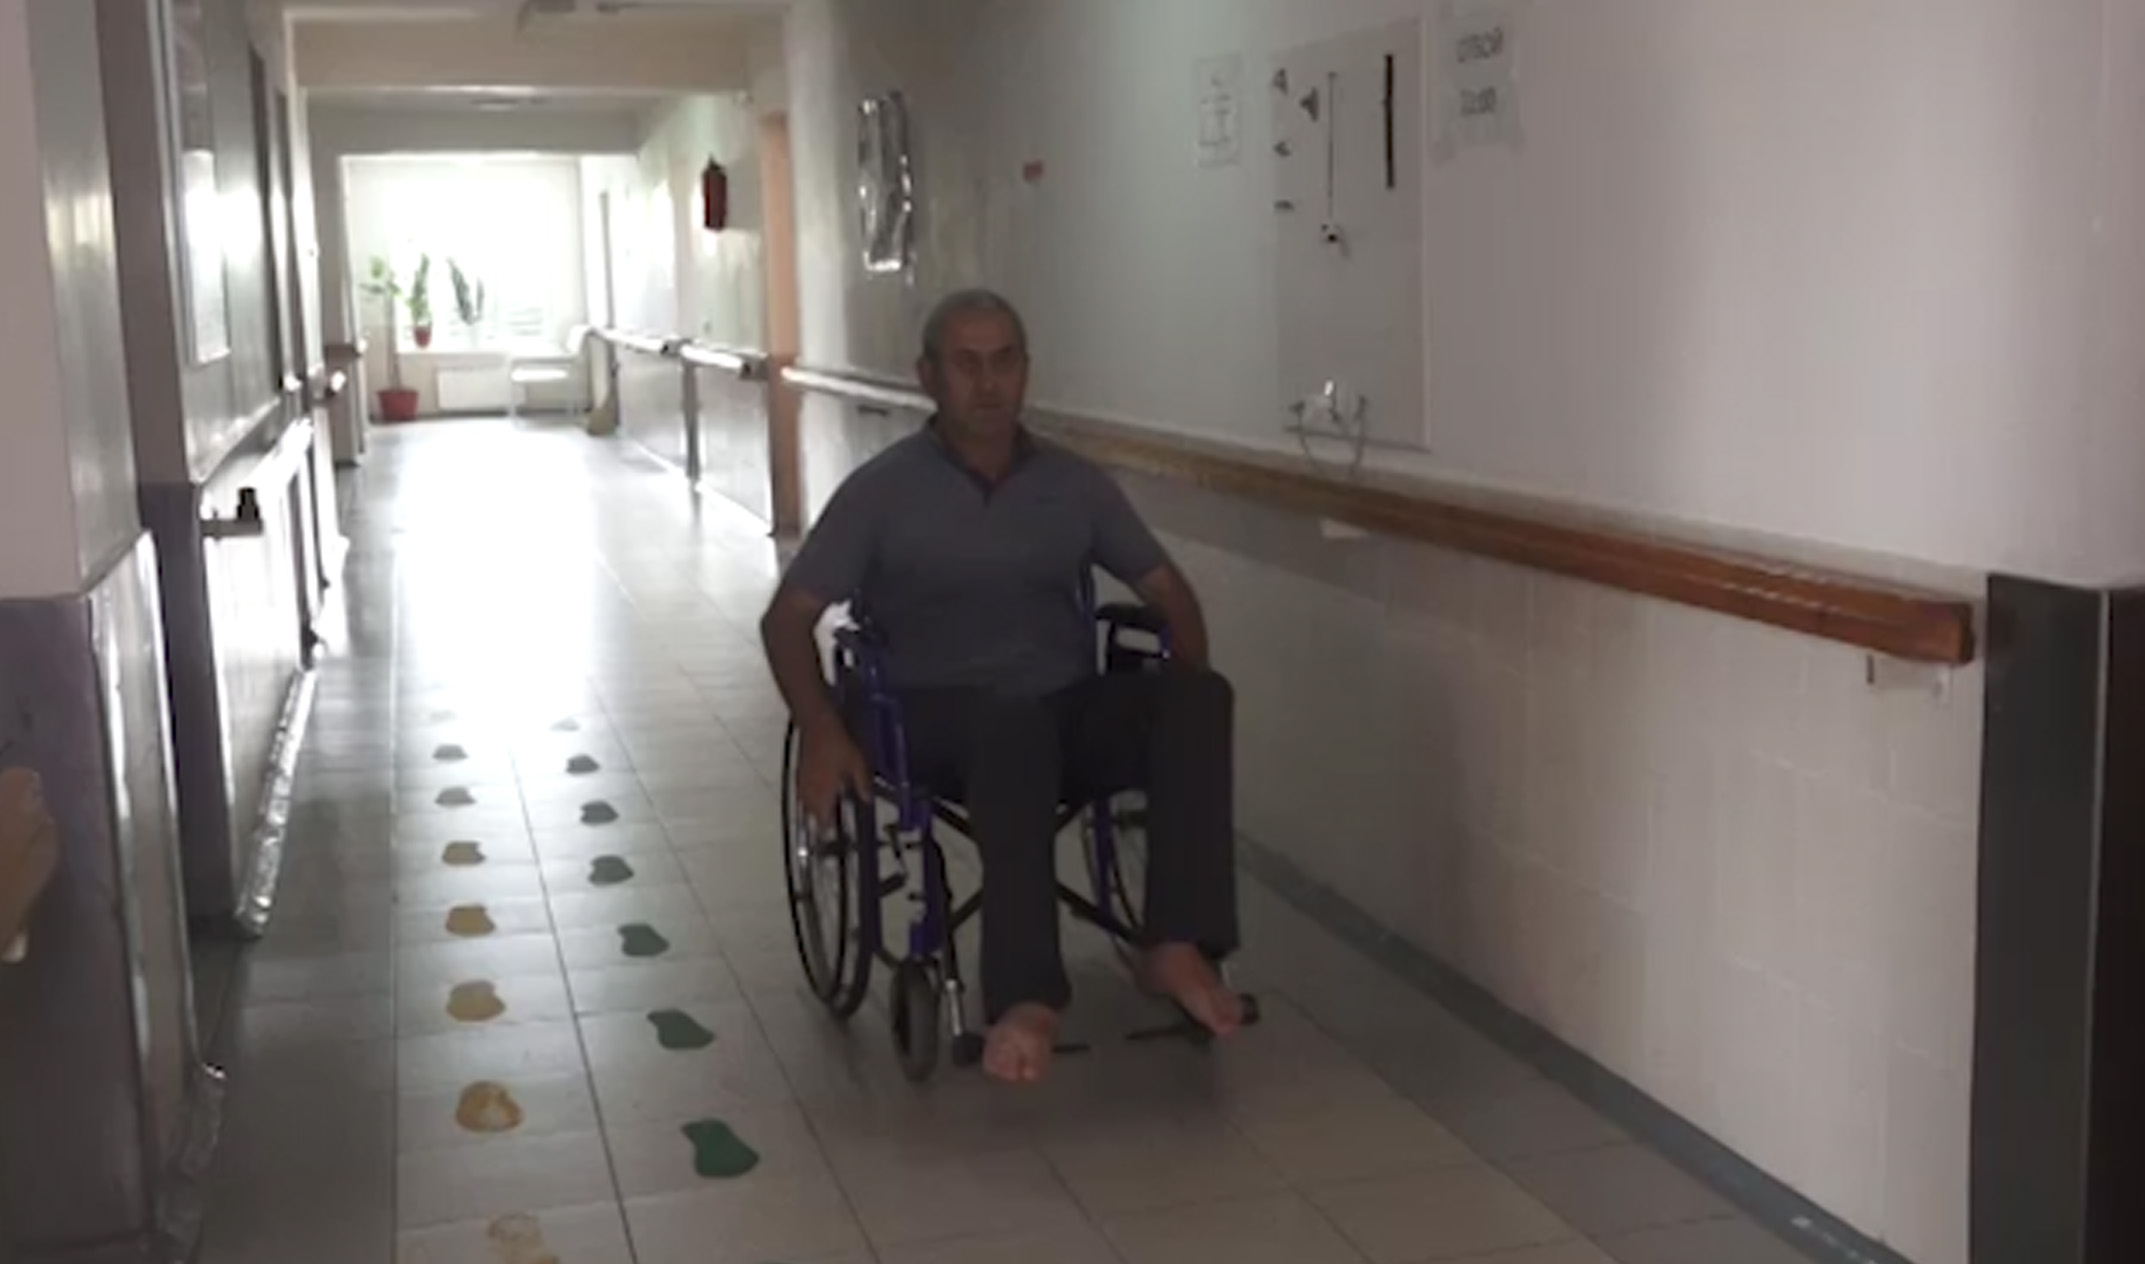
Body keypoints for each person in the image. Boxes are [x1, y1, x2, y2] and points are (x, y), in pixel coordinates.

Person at [759, 289, 1245, 1085]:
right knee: (1011, 729)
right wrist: (819, 728)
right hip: (926, 712)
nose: (988, 383)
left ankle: (1175, 943)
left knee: (1198, 699)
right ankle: (1026, 996)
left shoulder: (1074, 485)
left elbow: (1166, 592)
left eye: (1004, 361)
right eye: (966, 364)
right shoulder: (882, 491)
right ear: (927, 376)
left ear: (1026, 371)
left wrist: (1175, 723)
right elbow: (787, 619)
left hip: (1059, 705)